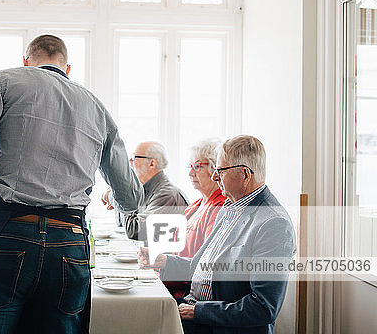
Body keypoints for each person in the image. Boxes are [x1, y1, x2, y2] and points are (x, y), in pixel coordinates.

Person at [0, 34, 143, 334]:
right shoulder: (96, 107)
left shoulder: (2, 81)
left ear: (26, 61)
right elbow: (131, 196)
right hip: (70, 241)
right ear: (68, 68)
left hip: (7, 229)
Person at [139, 135, 296, 334]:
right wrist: (164, 261)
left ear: (245, 174)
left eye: (220, 171)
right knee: (136, 312)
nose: (214, 177)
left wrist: (197, 311)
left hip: (218, 325)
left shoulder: (274, 223)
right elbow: (201, 268)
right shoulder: (230, 208)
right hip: (196, 311)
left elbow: (263, 308)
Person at [165, 138, 227, 298]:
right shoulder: (196, 205)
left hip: (188, 294)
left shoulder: (219, 207)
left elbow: (206, 266)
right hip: (173, 283)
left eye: (197, 166)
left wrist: (163, 263)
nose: (190, 172)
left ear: (215, 169)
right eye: (190, 166)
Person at [102, 141, 188, 241]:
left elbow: (136, 231)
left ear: (152, 163)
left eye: (134, 157)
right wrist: (119, 198)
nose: (130, 161)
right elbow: (121, 224)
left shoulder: (167, 195)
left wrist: (114, 197)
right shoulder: (146, 189)